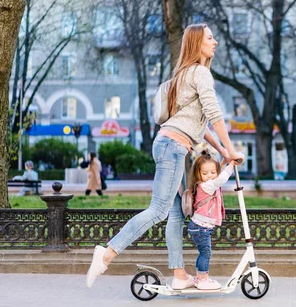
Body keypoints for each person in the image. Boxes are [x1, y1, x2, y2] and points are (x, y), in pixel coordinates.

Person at [85, 23, 245, 289]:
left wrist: (221, 152)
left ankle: (180, 275)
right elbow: (215, 116)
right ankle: (107, 253)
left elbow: (198, 124)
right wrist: (230, 151)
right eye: (210, 38)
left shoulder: (182, 74)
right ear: (197, 43)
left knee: (175, 213)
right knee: (158, 210)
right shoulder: (201, 74)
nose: (215, 42)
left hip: (170, 144)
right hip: (173, 146)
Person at [184, 152, 235, 290]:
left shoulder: (206, 183)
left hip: (199, 226)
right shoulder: (207, 185)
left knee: (203, 253)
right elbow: (221, 178)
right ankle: (202, 280)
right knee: (206, 254)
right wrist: (231, 165)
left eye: (212, 172)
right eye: (205, 173)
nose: (210, 176)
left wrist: (224, 163)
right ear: (198, 174)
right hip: (201, 227)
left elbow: (217, 174)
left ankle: (200, 278)